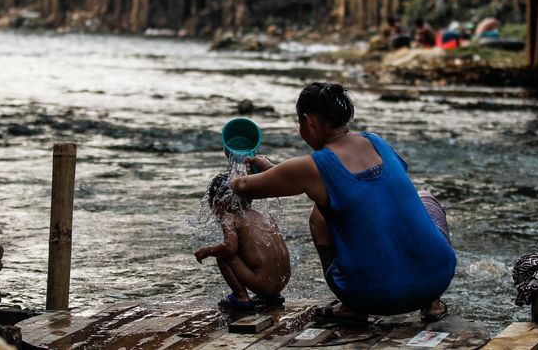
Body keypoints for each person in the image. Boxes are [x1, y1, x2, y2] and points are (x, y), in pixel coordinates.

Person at [230, 82, 456, 321]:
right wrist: (274, 170)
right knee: (424, 197)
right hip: (438, 278)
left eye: (299, 123)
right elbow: (375, 192)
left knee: (319, 216)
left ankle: (350, 306)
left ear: (308, 121)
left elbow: (243, 187)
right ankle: (433, 305)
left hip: (371, 296)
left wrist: (235, 166)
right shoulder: (377, 142)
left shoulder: (313, 166)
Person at [194, 171, 291, 310]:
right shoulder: (265, 217)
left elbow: (230, 248)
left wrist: (207, 251)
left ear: (221, 203)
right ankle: (272, 297)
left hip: (263, 284)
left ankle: (241, 297)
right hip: (282, 281)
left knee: (223, 256)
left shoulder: (229, 217)